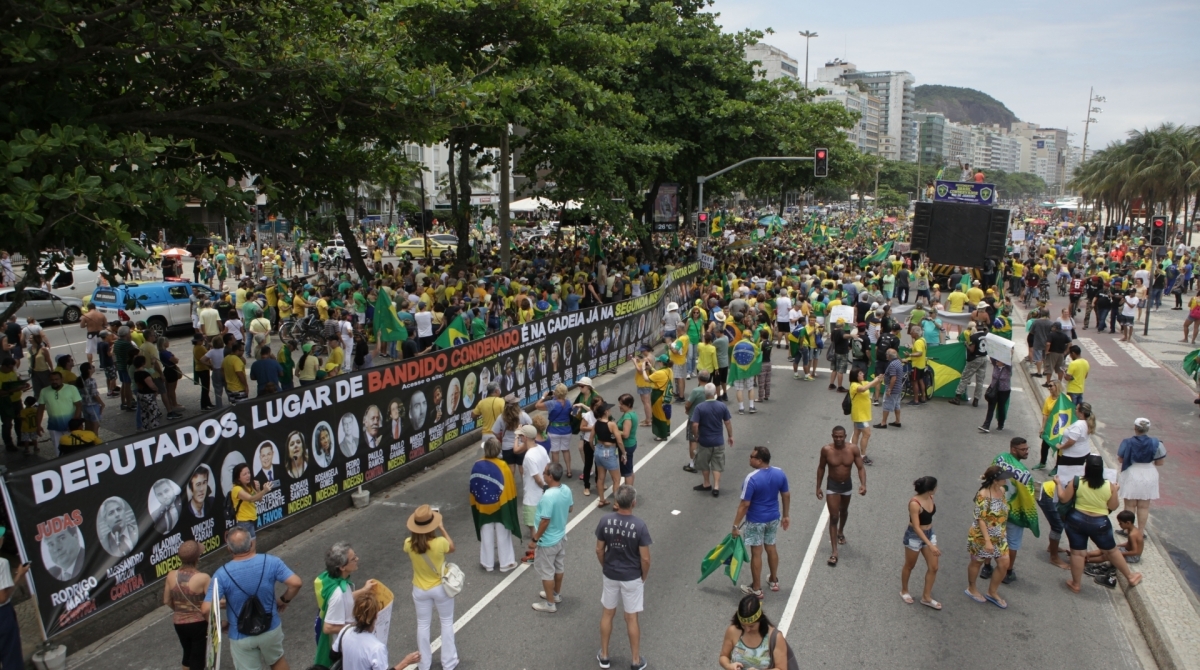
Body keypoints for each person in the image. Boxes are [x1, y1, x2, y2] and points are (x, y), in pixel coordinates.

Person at [202, 527, 302, 670]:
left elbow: (206, 609)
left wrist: (221, 624)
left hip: (240, 633)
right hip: (270, 626)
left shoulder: (221, 574)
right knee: (277, 661)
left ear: (229, 549)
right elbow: (296, 583)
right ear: (251, 544)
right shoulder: (271, 562)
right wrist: (283, 600)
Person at [1058, 454, 1144, 592]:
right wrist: (1114, 491)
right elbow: (1113, 506)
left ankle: (1076, 584)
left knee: (1077, 553)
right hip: (1099, 522)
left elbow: (1063, 499)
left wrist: (1058, 485)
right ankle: (1130, 576)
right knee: (1111, 551)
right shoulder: (1108, 485)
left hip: (1076, 519)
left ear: (1086, 468)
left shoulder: (1077, 482)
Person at [594, 485, 651, 670]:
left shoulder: (605, 520)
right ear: (633, 503)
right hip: (631, 576)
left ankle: (604, 656)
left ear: (617, 502)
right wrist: (643, 576)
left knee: (608, 613)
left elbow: (599, 549)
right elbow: (645, 558)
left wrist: (605, 566)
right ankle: (635, 660)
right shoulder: (640, 526)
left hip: (610, 573)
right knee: (631, 617)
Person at [403, 504, 459, 670]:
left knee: (422, 625)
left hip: (419, 589)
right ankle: (449, 662)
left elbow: (411, 544)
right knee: (446, 622)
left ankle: (424, 664)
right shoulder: (440, 543)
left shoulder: (408, 543)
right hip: (440, 588)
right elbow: (452, 547)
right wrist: (442, 528)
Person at [732, 447, 790, 599]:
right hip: (773, 518)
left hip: (756, 521)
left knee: (756, 552)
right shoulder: (779, 473)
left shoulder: (751, 478)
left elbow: (744, 504)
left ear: (759, 460)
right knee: (771, 547)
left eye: (752, 457)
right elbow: (786, 494)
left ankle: (756, 588)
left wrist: (735, 526)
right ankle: (773, 580)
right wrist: (786, 515)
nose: (749, 459)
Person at [314, 542, 376, 669]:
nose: (357, 559)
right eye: (353, 559)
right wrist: (357, 625)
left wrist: (364, 590)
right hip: (343, 645)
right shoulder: (337, 594)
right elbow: (328, 627)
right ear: (342, 567)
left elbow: (345, 600)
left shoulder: (332, 579)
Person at [816, 425, 866, 567]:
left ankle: (841, 531)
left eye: (841, 436)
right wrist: (818, 487)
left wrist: (863, 484)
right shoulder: (826, 450)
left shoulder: (853, 449)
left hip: (846, 485)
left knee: (843, 511)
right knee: (834, 516)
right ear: (832, 436)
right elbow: (821, 468)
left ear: (845, 436)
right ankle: (834, 552)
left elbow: (861, 467)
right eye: (836, 436)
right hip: (833, 485)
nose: (838, 439)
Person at [333, 590, 420, 670]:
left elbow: (333, 655)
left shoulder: (345, 631)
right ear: (376, 616)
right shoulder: (377, 648)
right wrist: (406, 662)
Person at [471, 437, 522, 571]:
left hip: (482, 505)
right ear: (499, 450)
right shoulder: (503, 466)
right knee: (503, 534)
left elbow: (473, 488)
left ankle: (487, 563)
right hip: (501, 506)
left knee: (486, 533)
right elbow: (510, 488)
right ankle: (506, 563)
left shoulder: (477, 465)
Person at [530, 461, 573, 613]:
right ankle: (555, 594)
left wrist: (535, 539)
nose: (543, 474)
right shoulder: (566, 489)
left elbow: (545, 520)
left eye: (545, 472)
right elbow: (570, 508)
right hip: (561, 536)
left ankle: (549, 604)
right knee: (559, 566)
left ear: (550, 476)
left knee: (547, 571)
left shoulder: (548, 496)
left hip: (548, 541)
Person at [965, 465, 1011, 609]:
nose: (1006, 480)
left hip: (1000, 536)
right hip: (981, 537)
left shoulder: (1002, 491)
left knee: (1004, 563)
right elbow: (980, 519)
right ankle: (971, 588)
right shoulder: (983, 494)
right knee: (977, 563)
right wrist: (987, 541)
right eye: (1003, 478)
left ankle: (992, 592)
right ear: (995, 480)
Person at [162, 540, 210, 670]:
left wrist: (179, 610)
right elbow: (211, 602)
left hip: (179, 623)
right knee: (198, 657)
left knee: (187, 654)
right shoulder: (203, 578)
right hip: (198, 623)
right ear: (197, 558)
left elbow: (166, 600)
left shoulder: (171, 575)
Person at [718, 595, 797, 670]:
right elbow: (723, 656)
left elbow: (781, 668)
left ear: (760, 620)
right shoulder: (732, 631)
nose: (747, 630)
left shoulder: (775, 637)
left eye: (751, 626)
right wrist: (729, 666)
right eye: (743, 625)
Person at [1116, 418, 1166, 533]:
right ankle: (1141, 532)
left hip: (1132, 472)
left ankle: (1128, 531)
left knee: (1130, 505)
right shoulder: (1157, 443)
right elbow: (1160, 462)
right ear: (1147, 429)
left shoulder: (1127, 442)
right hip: (1149, 472)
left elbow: (1120, 459)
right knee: (1144, 506)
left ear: (1135, 427)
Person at [901, 476, 941, 610]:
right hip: (915, 536)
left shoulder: (930, 498)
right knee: (910, 565)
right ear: (930, 490)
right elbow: (917, 527)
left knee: (934, 567)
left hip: (929, 533)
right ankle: (904, 591)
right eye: (935, 487)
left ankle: (926, 597)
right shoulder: (914, 503)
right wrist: (930, 545)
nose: (936, 489)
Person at [690, 382, 733, 497]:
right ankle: (716, 486)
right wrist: (730, 436)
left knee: (704, 463)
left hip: (704, 441)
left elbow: (694, 425)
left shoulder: (700, 407)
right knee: (717, 464)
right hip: (718, 441)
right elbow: (727, 422)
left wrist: (696, 436)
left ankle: (706, 483)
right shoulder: (722, 406)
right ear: (715, 393)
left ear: (705, 393)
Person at [0, 529, 30, 670]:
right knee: (11, 657)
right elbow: (2, 597)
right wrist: (19, 575)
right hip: (2, 615)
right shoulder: (2, 563)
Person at [37, 370, 83, 454]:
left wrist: (76, 422)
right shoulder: (44, 391)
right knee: (57, 449)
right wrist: (38, 424)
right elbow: (40, 408)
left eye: (56, 379)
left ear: (62, 379)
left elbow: (78, 405)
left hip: (70, 426)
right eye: (52, 380)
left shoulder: (71, 388)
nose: (54, 381)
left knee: (73, 448)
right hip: (54, 426)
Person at [535, 383, 574, 476]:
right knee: (566, 450)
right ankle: (569, 471)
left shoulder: (551, 403)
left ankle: (556, 473)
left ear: (556, 392)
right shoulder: (568, 402)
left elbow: (537, 405)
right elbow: (573, 413)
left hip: (554, 431)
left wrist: (543, 397)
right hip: (567, 430)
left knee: (555, 452)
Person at [847, 368, 883, 465]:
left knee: (856, 433)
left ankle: (851, 453)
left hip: (861, 414)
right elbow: (863, 389)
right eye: (860, 373)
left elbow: (873, 384)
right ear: (855, 376)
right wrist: (875, 381)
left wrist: (879, 379)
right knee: (867, 434)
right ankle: (862, 456)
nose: (862, 374)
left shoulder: (863, 382)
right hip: (860, 415)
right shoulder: (854, 385)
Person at [591, 402, 624, 507]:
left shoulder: (596, 423)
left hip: (598, 450)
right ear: (605, 412)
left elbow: (590, 439)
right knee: (616, 479)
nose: (610, 411)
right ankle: (616, 503)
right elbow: (619, 441)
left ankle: (601, 500)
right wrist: (624, 452)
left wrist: (594, 449)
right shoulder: (611, 424)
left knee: (600, 477)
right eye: (609, 409)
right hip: (609, 451)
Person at [230, 462, 275, 539]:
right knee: (248, 547)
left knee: (252, 545)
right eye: (244, 474)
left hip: (252, 519)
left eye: (248, 473)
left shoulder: (249, 486)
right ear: (238, 477)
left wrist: (258, 489)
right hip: (244, 521)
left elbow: (260, 499)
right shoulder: (236, 489)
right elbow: (251, 498)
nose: (248, 476)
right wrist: (264, 491)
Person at [978, 355, 1011, 433]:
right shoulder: (995, 366)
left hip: (1004, 391)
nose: (996, 362)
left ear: (1003, 362)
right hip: (994, 390)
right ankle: (986, 425)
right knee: (991, 407)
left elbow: (1009, 360)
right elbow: (992, 358)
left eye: (998, 361)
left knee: (1001, 407)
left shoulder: (1008, 368)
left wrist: (1009, 353)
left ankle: (1001, 424)